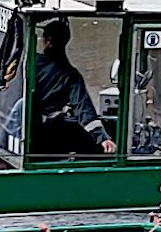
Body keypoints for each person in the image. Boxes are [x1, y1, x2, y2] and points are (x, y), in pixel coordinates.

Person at [34, 17, 115, 156]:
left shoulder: (29, 63)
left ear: (46, 40)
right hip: (48, 134)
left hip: (27, 131)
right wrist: (103, 138)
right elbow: (83, 107)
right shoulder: (70, 74)